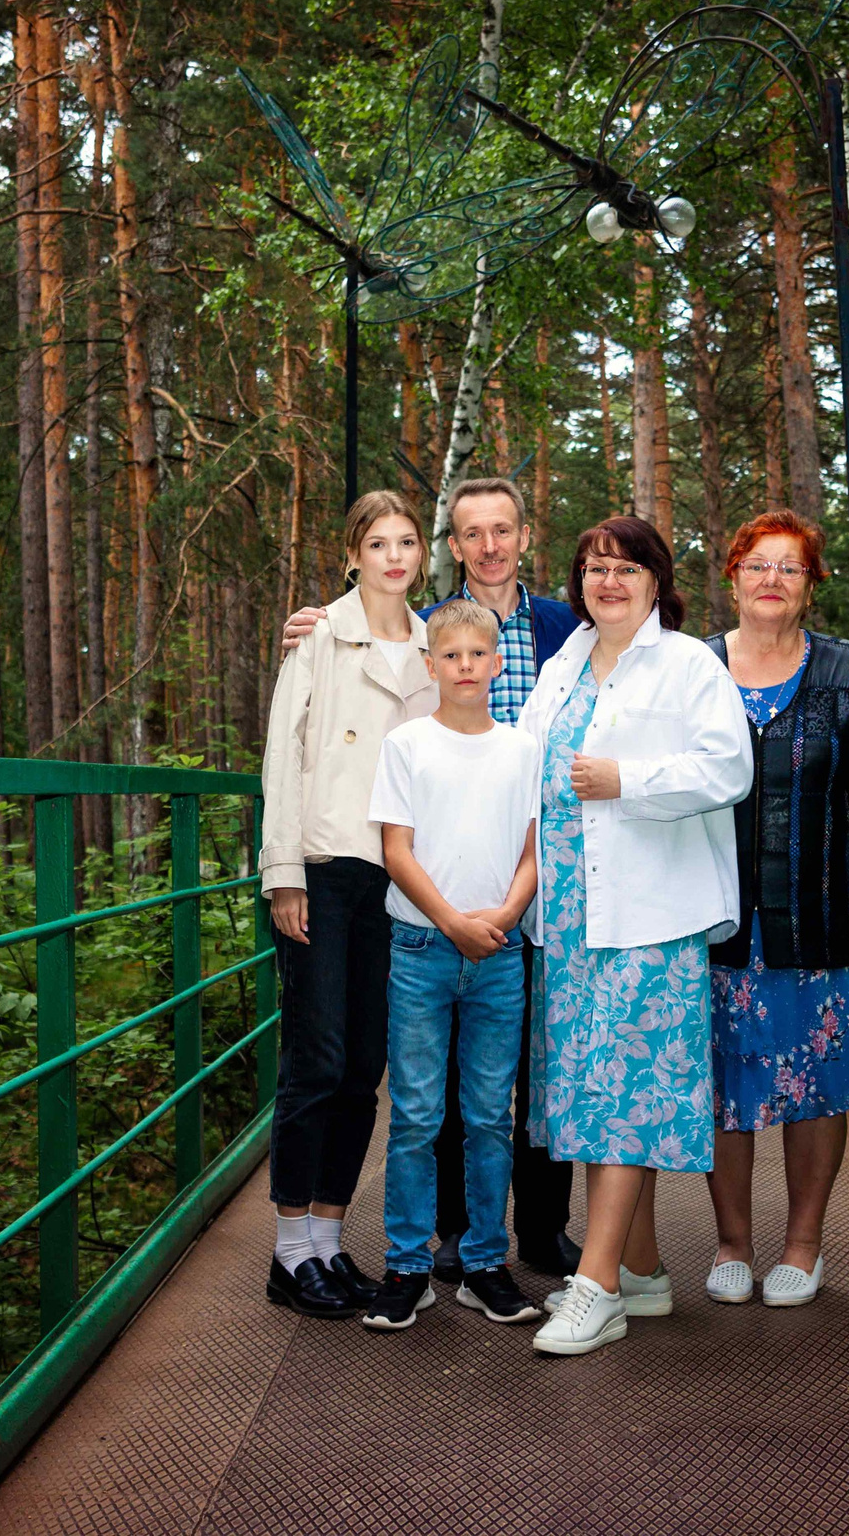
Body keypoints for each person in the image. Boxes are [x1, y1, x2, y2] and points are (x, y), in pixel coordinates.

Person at [279, 477, 584, 1280]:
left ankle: (536, 1228)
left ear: (523, 535)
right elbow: (304, 749)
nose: (488, 545)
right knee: (404, 1074)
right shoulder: (411, 633)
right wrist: (283, 871)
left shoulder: (554, 629)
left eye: (502, 529)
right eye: (470, 532)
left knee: (515, 1062)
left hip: (517, 869)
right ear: (453, 546)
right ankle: (416, 1236)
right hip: (404, 878)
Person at [518, 515, 752, 1356]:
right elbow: (519, 765)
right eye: (593, 567)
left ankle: (599, 1284)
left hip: (649, 920)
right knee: (592, 1094)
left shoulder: (689, 664)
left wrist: (629, 780)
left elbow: (730, 769)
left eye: (624, 567)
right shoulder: (564, 662)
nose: (607, 580)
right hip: (573, 921)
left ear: (658, 580)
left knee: (625, 1099)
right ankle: (646, 1270)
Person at [701, 510, 849, 1308]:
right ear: (733, 575)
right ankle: (729, 1244)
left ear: (811, 585)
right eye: (758, 564)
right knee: (725, 1077)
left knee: (816, 1079)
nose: (772, 580)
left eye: (790, 568)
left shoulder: (848, 669)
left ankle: (803, 1243)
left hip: (823, 914)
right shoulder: (696, 668)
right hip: (718, 918)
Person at [259, 489, 437, 1319]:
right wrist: (282, 868)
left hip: (397, 880)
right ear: (353, 555)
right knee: (316, 1058)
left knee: (365, 1066)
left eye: (407, 542)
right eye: (379, 542)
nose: (395, 556)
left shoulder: (436, 646)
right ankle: (289, 1251)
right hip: (326, 867)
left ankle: (329, 1242)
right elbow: (281, 756)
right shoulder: (320, 638)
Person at [361, 599, 546, 1330]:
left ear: (497, 664)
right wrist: (451, 922)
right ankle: (407, 1265)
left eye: (479, 654)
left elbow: (534, 852)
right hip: (420, 949)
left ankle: (484, 1262)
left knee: (489, 1117)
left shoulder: (522, 749)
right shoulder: (407, 746)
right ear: (430, 664)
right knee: (414, 1113)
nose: (465, 667)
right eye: (451, 656)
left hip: (499, 953)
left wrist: (497, 921)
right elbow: (396, 849)